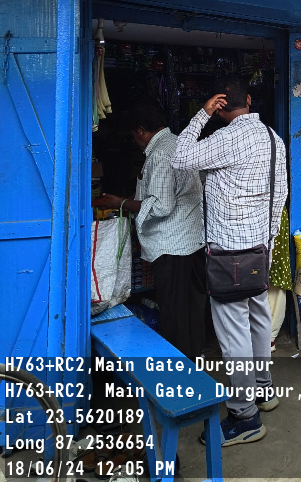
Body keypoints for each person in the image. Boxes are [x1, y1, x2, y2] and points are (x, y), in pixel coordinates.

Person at [171, 76, 287, 448]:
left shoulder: (226, 138)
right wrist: (267, 240)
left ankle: (244, 415)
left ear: (221, 106)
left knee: (233, 334)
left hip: (228, 254)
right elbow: (280, 194)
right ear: (249, 100)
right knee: (258, 318)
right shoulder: (273, 138)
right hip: (259, 248)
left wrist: (200, 115)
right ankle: (263, 390)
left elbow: (180, 157)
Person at [97, 103, 207, 362]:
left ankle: (179, 366)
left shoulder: (159, 154)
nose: (134, 142)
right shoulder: (179, 143)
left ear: (141, 130)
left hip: (171, 245)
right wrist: (131, 198)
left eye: (133, 136)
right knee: (192, 307)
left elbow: (161, 205)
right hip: (193, 239)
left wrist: (121, 203)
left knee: (175, 312)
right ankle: (194, 359)